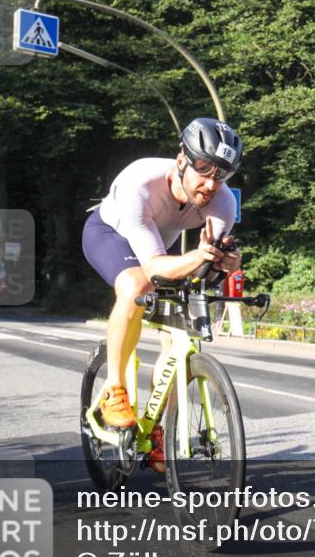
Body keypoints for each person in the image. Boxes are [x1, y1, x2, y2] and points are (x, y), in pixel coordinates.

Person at [81, 118, 242, 473]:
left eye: (223, 174)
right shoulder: (141, 181)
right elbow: (153, 268)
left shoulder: (223, 203)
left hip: (158, 249)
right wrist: (198, 258)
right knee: (137, 285)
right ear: (181, 158)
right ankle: (115, 389)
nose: (212, 182)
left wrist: (225, 262)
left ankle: (157, 430)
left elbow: (207, 262)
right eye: (204, 168)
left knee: (178, 330)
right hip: (110, 234)